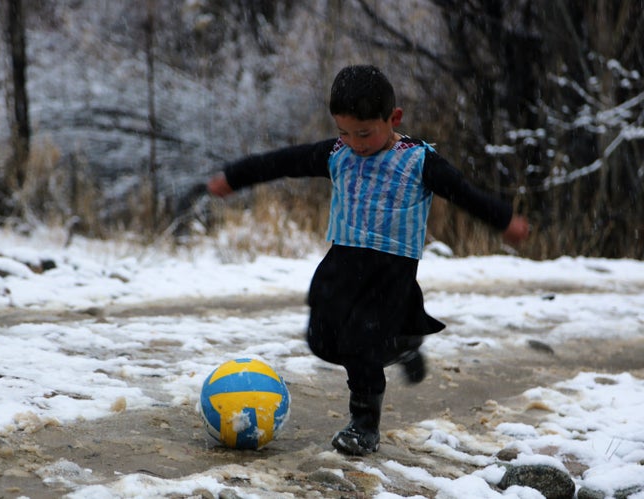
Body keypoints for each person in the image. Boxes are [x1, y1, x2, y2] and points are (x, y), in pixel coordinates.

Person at [207, 64, 530, 456]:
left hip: (390, 271)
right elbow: (282, 162)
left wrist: (503, 220)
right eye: (344, 131)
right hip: (342, 261)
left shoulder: (418, 161)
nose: (354, 142)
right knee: (323, 341)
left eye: (364, 133)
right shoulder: (337, 154)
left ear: (393, 119)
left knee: (360, 343)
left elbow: (464, 193)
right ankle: (402, 342)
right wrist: (234, 177)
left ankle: (364, 425)